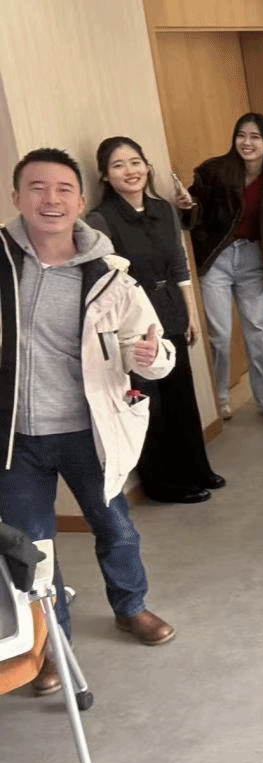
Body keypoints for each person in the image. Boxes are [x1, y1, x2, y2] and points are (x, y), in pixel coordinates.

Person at [1, 148, 178, 697]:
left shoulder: (110, 275)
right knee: (33, 551)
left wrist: (149, 356)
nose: (50, 200)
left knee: (116, 527)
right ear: (16, 198)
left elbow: (154, 349)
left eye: (62, 190)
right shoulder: (2, 262)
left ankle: (131, 606)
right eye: (37, 188)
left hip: (88, 430)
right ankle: (52, 647)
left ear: (80, 201)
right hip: (15, 438)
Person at [83, 136, 222, 508]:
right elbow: (106, 280)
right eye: (118, 165)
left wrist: (190, 313)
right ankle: (163, 483)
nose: (130, 171)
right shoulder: (100, 219)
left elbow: (179, 263)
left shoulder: (163, 209)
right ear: (105, 176)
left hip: (170, 308)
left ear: (146, 166)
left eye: (135, 162)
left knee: (182, 394)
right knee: (151, 404)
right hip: (134, 322)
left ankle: (196, 468)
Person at [183, 112, 263, 425]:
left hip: (254, 261)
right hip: (217, 260)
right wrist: (187, 206)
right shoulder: (214, 171)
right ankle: (219, 398)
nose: (246, 143)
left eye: (255, 137)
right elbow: (195, 212)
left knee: (262, 334)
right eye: (241, 135)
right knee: (219, 335)